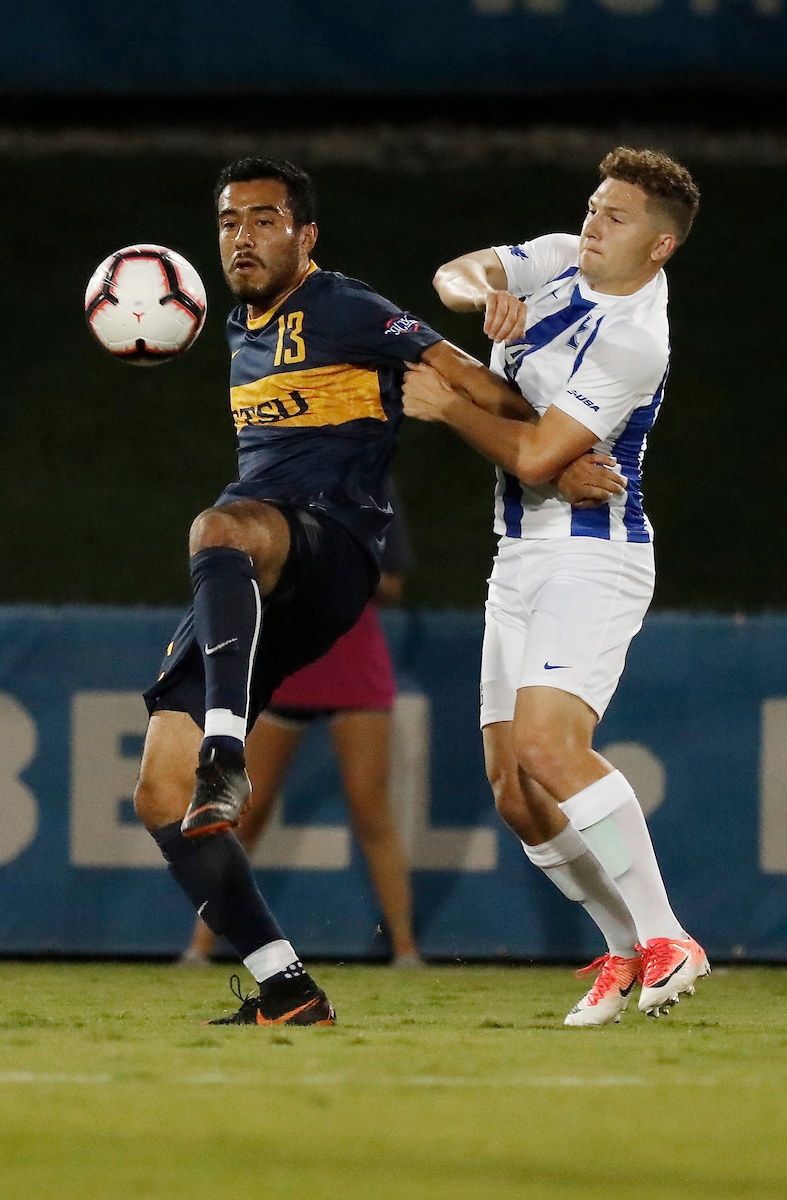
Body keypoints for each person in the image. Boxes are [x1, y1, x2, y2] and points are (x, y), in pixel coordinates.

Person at [133, 155, 620, 1028]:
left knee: (217, 527)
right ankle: (288, 988)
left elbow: (474, 383)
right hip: (259, 576)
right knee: (161, 797)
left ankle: (227, 752)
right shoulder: (242, 327)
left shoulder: (349, 307)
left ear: (305, 234)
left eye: (264, 219)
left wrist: (554, 453)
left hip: (333, 547)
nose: (242, 236)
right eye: (228, 222)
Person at [403, 147, 708, 1025]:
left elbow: (539, 455)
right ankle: (622, 947)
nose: (593, 226)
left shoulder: (634, 337)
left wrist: (451, 402)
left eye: (615, 218)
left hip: (594, 555)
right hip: (519, 552)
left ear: (659, 247)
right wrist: (481, 297)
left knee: (547, 746)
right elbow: (458, 271)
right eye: (593, 207)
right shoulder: (562, 257)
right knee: (512, 786)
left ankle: (668, 934)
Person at [179, 503, 421, 968]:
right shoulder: (271, 485)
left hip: (352, 663)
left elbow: (391, 584)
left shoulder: (372, 491)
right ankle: (200, 947)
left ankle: (407, 951)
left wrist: (335, 567)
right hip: (287, 658)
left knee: (371, 810)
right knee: (244, 811)